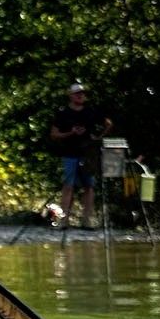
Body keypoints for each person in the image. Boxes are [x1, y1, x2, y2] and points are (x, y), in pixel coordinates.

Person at [49, 82, 111, 228]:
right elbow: (54, 134)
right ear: (70, 96)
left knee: (89, 186)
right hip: (69, 154)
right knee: (68, 186)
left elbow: (108, 124)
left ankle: (86, 220)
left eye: (82, 93)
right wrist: (70, 133)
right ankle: (64, 219)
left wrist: (98, 137)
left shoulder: (91, 111)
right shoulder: (63, 113)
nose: (81, 96)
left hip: (88, 154)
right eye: (77, 94)